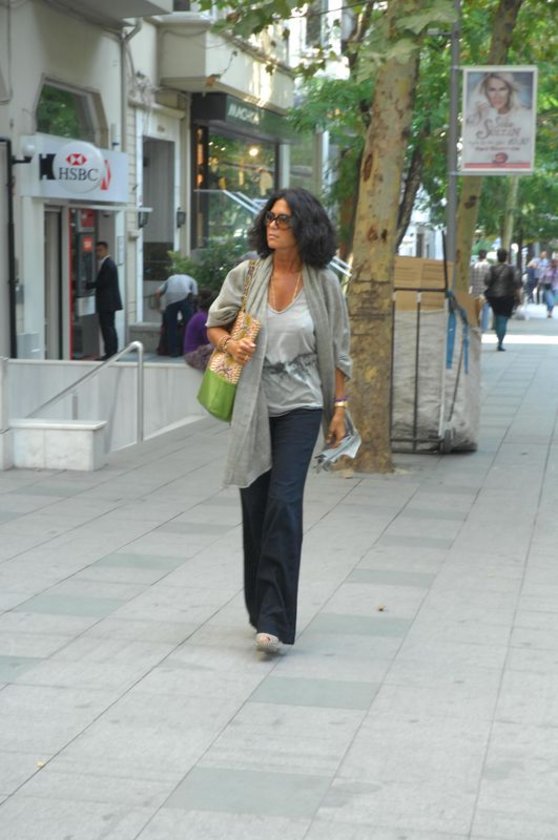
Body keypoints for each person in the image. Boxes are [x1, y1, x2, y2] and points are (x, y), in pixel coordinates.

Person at [206, 187, 351, 655]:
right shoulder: (247, 275)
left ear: (305, 227)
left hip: (301, 408)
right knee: (256, 509)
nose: (273, 225)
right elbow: (215, 323)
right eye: (270, 216)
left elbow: (340, 350)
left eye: (283, 219)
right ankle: (259, 606)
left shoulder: (324, 284)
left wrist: (339, 409)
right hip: (252, 405)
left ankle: (274, 619)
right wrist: (230, 344)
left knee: (284, 506)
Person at [462, 71, 534, 170]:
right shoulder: (477, 120)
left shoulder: (526, 116)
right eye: (492, 90)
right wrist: (482, 117)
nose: (497, 95)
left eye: (502, 89)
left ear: (510, 91)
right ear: (485, 92)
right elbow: (472, 156)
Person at [88, 241, 122, 360]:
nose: (98, 253)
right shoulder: (107, 264)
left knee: (107, 328)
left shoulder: (108, 264)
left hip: (107, 302)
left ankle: (110, 353)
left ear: (106, 250)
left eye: (100, 250)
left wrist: (90, 285)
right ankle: (112, 352)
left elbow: (103, 282)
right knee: (110, 327)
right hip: (109, 302)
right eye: (96, 251)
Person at [484, 248, 522, 351]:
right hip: (508, 297)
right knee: (503, 319)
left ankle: (498, 335)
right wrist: (519, 298)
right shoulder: (512, 269)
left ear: (497, 257)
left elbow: (486, 281)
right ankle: (500, 342)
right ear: (506, 257)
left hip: (494, 297)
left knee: (497, 316)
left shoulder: (492, 268)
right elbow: (517, 284)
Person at [156, 272, 198, 357]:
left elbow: (157, 292)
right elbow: (195, 295)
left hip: (170, 299)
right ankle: (187, 350)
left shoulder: (170, 278)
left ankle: (173, 352)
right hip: (185, 296)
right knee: (189, 325)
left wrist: (158, 307)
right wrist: (193, 309)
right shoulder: (191, 279)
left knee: (171, 327)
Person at [183, 288, 215, 370]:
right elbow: (210, 340)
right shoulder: (202, 318)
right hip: (193, 354)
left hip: (197, 352)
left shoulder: (200, 316)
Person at [469, 249, 491, 331]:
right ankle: (484, 328)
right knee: (485, 309)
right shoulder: (489, 267)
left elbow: (470, 281)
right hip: (486, 292)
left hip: (475, 291)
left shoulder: (473, 266)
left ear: (478, 256)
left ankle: (475, 325)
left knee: (475, 310)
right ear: (486, 256)